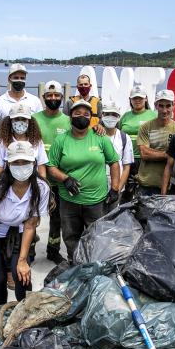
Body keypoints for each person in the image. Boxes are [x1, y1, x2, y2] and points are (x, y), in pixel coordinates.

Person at [47, 100, 120, 263]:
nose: (82, 116)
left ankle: (93, 266)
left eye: (86, 114)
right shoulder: (61, 140)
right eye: (77, 113)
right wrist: (64, 178)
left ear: (91, 117)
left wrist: (115, 188)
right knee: (71, 237)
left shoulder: (100, 137)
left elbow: (114, 162)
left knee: (96, 238)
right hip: (69, 201)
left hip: (96, 201)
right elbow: (51, 166)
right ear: (70, 116)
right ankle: (75, 265)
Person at [0, 141, 50, 305]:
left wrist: (22, 260)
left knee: (22, 276)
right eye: (16, 162)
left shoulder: (41, 188)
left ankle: (26, 312)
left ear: (33, 163)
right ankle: (0, 311)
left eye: (25, 162)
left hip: (21, 231)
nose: (21, 166)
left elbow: (30, 225)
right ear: (7, 164)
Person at [33, 80, 72, 263]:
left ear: (62, 98)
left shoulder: (68, 121)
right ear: (44, 98)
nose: (53, 98)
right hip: (36, 178)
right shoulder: (35, 120)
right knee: (32, 215)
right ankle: (30, 248)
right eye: (49, 96)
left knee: (57, 218)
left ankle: (53, 249)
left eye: (57, 95)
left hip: (59, 180)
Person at [136, 89, 175, 196]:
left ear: (173, 105)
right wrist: (168, 154)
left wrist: (152, 151)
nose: (164, 110)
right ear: (155, 105)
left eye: (168, 106)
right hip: (146, 184)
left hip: (169, 186)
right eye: (161, 105)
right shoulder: (145, 127)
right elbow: (144, 153)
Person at [118, 85, 157, 199]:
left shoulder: (153, 115)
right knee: (126, 192)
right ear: (130, 100)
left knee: (143, 191)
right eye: (134, 98)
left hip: (144, 159)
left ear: (146, 99)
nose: (137, 100)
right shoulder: (125, 116)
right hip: (126, 160)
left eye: (140, 98)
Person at [0, 103, 47, 179]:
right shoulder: (2, 143)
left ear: (29, 121)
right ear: (10, 121)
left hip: (32, 184)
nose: (20, 122)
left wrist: (42, 185)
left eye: (24, 119)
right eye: (16, 119)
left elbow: (41, 169)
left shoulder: (37, 142)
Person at [100, 100, 134, 212]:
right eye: (107, 114)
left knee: (111, 221)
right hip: (96, 188)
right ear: (102, 115)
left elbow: (126, 167)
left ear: (119, 117)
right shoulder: (95, 135)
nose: (110, 117)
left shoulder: (124, 138)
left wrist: (117, 190)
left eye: (114, 114)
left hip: (116, 188)